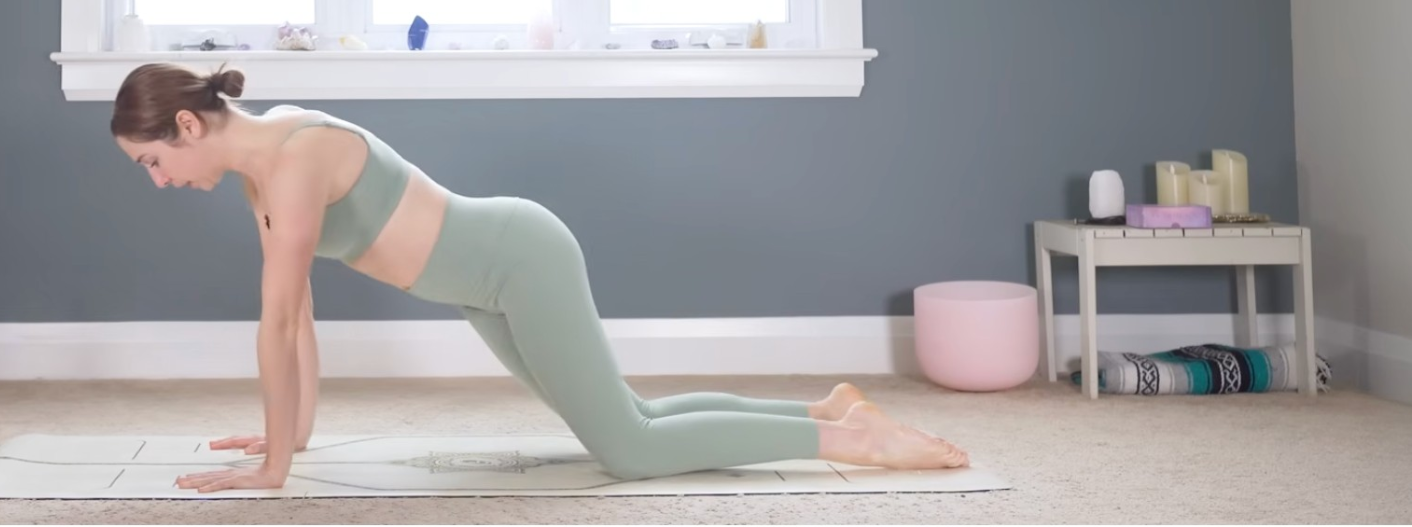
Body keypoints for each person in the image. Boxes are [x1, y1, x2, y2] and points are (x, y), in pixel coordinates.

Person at [111, 62, 969, 493]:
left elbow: (280, 322)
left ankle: (856, 446)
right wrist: (287, 440)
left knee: (627, 452)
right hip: (487, 284)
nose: (157, 182)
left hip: (518, 259)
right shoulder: (262, 167)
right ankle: (826, 407)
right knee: (628, 416)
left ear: (189, 124)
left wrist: (273, 476)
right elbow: (296, 322)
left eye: (153, 161)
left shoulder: (291, 163)